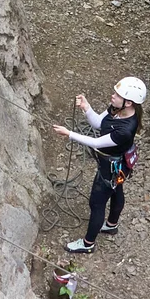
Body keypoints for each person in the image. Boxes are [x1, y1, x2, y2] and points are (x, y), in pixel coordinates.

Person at [54, 76, 144, 253]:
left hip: (110, 168)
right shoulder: (117, 109)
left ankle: (88, 244)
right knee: (117, 189)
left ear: (128, 103)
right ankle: (111, 224)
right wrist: (86, 107)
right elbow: (98, 123)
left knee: (97, 203)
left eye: (117, 95)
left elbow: (96, 143)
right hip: (119, 165)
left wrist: (69, 134)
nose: (112, 96)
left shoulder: (125, 130)